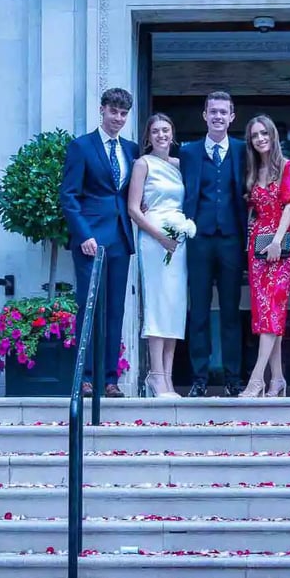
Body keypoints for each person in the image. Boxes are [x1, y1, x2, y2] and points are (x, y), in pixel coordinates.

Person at [59, 87, 139, 398]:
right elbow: (69, 196)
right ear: (102, 110)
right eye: (113, 112)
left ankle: (110, 378)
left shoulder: (131, 150)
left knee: (116, 310)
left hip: (121, 237)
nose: (118, 118)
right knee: (89, 308)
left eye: (123, 113)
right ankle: (86, 376)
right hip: (91, 241)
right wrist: (83, 235)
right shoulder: (81, 147)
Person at [179, 91, 248, 397]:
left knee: (232, 312)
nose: (218, 117)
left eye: (224, 112)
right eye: (213, 112)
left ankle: (234, 378)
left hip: (232, 240)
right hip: (199, 241)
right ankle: (199, 378)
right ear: (204, 115)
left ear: (232, 117)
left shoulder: (243, 150)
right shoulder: (189, 152)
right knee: (200, 312)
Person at [127, 113, 188, 399]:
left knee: (174, 305)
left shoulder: (179, 164)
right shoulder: (143, 164)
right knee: (157, 303)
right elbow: (133, 209)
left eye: (166, 129)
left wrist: (177, 235)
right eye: (156, 131)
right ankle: (155, 375)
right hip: (154, 240)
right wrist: (161, 237)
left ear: (172, 133)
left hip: (178, 241)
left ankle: (168, 377)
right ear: (148, 136)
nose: (162, 135)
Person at [240, 115, 290, 398]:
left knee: (273, 305)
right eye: (255, 135)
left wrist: (277, 241)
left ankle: (256, 379)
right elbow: (252, 208)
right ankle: (277, 379)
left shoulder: (289, 167)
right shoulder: (253, 171)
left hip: (282, 242)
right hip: (257, 246)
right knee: (265, 310)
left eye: (264, 133)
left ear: (273, 135)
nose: (260, 139)